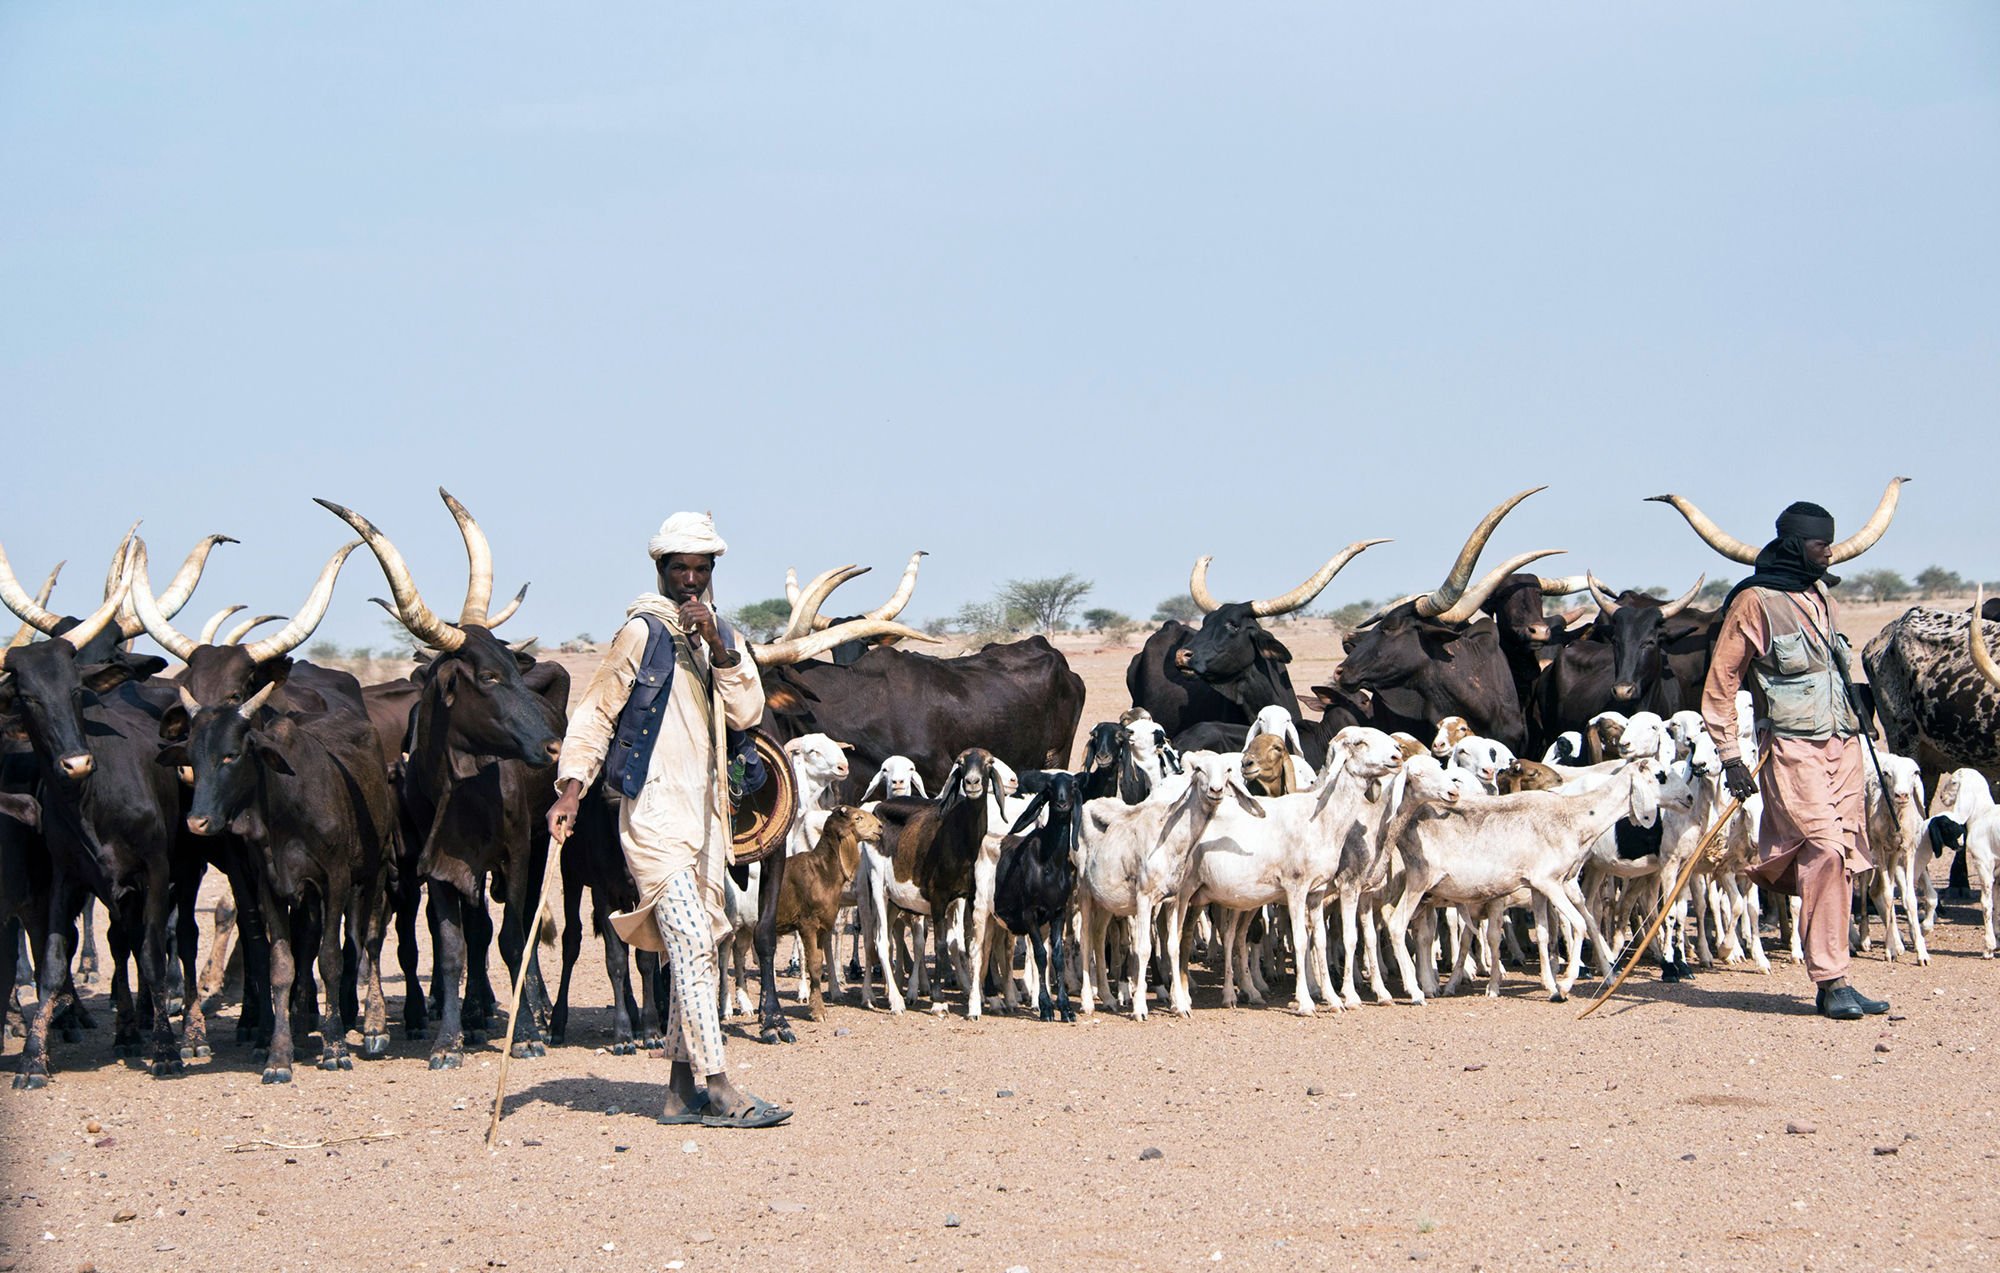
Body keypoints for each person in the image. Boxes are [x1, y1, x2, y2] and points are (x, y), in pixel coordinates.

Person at [547, 511, 792, 1127]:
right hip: (653, 807)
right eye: (679, 569)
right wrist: (571, 790)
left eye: (700, 570)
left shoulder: (721, 635)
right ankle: (720, 1087)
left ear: (712, 574)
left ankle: (679, 1092)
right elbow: (598, 711)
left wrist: (720, 646)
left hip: (709, 814)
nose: (689, 580)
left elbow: (748, 711)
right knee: (688, 939)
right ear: (659, 571)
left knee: (700, 941)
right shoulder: (642, 632)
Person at [1701, 500, 1889, 1022]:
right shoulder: (1755, 602)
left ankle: (1841, 978)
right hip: (1790, 747)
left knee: (1845, 854)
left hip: (1843, 744)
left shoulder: (1820, 594)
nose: (1829, 552)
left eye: (1829, 543)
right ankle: (1829, 982)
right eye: (1818, 544)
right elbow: (1720, 686)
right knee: (1823, 849)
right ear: (1792, 545)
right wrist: (1731, 756)